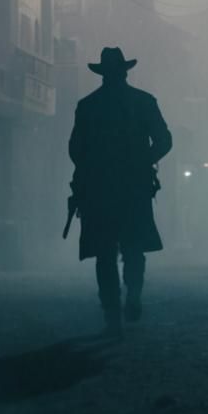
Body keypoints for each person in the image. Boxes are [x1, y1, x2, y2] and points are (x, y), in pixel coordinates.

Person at [68, 47, 173, 332]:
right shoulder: (144, 102)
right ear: (125, 72)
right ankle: (133, 295)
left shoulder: (88, 106)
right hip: (134, 189)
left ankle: (112, 311)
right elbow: (164, 141)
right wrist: (143, 162)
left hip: (99, 192)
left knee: (105, 253)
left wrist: (92, 170)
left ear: (103, 74)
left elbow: (76, 150)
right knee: (134, 248)